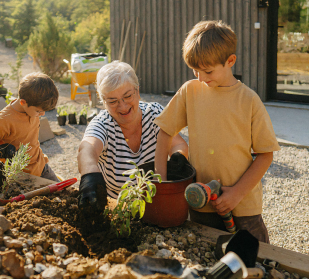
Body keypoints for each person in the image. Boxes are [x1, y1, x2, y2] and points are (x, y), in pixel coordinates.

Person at [153, 20, 281, 243]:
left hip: (242, 206)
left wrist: (237, 193)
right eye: (195, 71)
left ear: (230, 61)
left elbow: (265, 154)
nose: (201, 78)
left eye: (208, 71)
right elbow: (165, 133)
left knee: (253, 259)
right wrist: (162, 181)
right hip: (201, 203)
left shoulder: (249, 100)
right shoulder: (190, 91)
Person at [77, 61, 189, 210]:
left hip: (153, 203)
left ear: (137, 91)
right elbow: (86, 150)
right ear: (103, 101)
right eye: (112, 101)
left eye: (127, 96)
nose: (122, 106)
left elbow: (178, 144)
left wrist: (179, 156)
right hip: (117, 208)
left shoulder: (154, 114)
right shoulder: (102, 124)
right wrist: (90, 177)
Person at [0, 72, 60, 181]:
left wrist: (37, 111)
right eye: (39, 111)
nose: (42, 114)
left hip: (41, 165)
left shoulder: (31, 109)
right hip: (19, 173)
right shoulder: (4, 119)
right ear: (23, 102)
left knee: (63, 191)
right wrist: (2, 150)